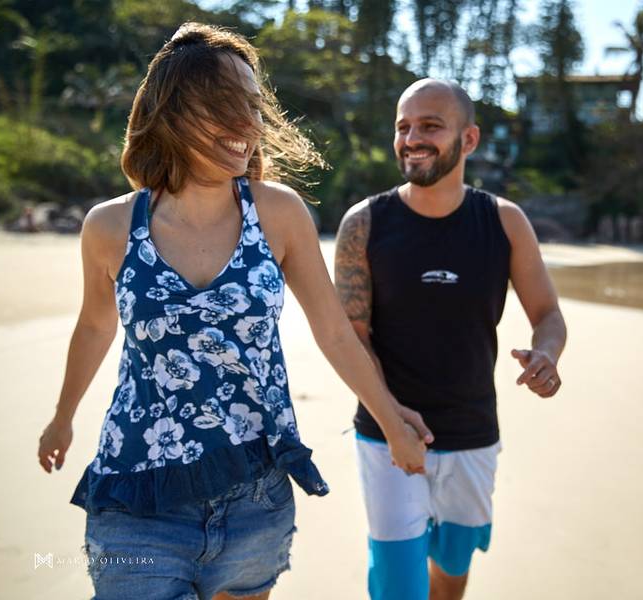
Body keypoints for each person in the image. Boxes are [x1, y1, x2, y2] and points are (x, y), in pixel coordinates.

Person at [36, 23, 431, 600]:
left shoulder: (279, 214)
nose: (249, 124)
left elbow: (333, 332)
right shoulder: (110, 226)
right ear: (174, 110)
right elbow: (96, 325)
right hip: (138, 492)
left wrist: (393, 423)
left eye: (252, 105)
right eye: (227, 106)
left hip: (255, 496)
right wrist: (62, 416)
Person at [334, 78, 568, 600]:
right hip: (386, 436)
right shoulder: (364, 224)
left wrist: (547, 355)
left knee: (451, 571)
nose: (412, 138)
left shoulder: (504, 221)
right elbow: (352, 336)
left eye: (430, 126)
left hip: (472, 434)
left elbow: (548, 313)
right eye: (403, 127)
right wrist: (393, 422)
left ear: (469, 139)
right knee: (399, 587)